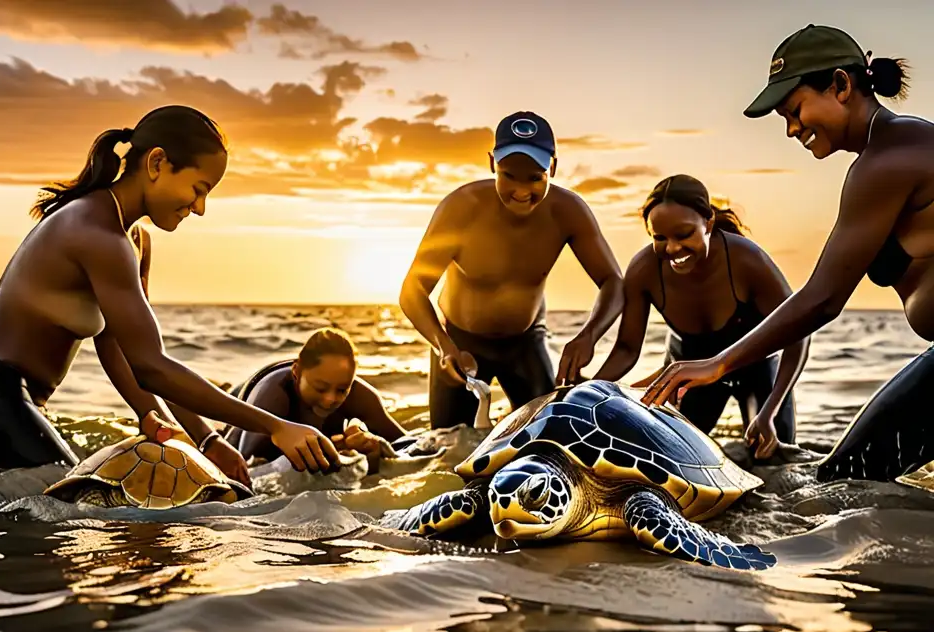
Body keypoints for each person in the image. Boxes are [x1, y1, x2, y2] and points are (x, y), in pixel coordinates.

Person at [0, 104, 340, 481]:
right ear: (158, 163)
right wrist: (274, 425)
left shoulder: (133, 241)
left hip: (5, 395)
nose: (199, 208)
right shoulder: (98, 234)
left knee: (56, 517)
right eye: (198, 188)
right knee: (69, 516)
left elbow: (123, 351)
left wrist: (203, 439)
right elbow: (153, 366)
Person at [641, 24, 934, 482]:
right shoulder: (894, 148)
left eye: (794, 110)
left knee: (844, 484)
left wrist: (719, 362)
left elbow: (821, 299)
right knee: (852, 483)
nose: (792, 128)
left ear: (840, 85)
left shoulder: (887, 160)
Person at [398, 110, 625, 430]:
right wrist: (443, 346)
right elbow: (412, 289)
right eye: (509, 175)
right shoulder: (461, 208)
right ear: (492, 164)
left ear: (553, 168)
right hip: (461, 344)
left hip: (525, 343)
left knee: (549, 437)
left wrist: (588, 336)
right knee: (448, 452)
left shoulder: (568, 212)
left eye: (534, 177)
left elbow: (613, 281)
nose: (521, 190)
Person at [592, 175, 808, 458]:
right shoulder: (644, 270)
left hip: (757, 371)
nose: (672, 249)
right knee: (673, 459)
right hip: (688, 376)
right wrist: (586, 394)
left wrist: (769, 412)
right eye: (659, 238)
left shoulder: (746, 259)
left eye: (683, 235)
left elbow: (799, 332)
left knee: (772, 460)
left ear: (708, 223)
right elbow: (627, 349)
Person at [222, 328, 408, 471]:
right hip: (241, 404)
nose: (330, 399)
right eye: (320, 388)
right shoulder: (274, 398)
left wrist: (374, 449)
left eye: (342, 390)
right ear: (296, 371)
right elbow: (244, 468)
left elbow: (410, 446)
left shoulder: (360, 396)